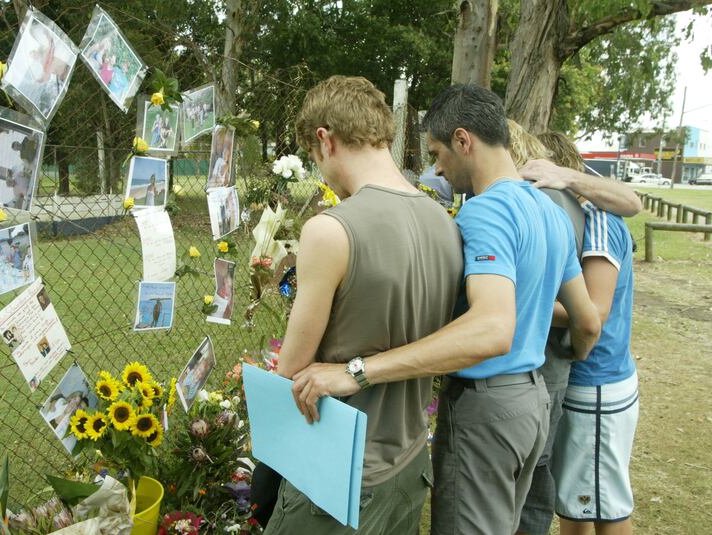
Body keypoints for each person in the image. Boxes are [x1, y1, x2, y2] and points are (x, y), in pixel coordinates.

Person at [288, 83, 603, 534]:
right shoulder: (550, 211)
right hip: (535, 397)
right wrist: (569, 356)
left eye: (437, 153)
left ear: (463, 140)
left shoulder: (483, 214)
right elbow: (587, 320)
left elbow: (493, 329)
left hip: (486, 403)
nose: (436, 167)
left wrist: (358, 371)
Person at [262, 75, 464, 535]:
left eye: (315, 159)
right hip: (409, 464)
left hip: (339, 472)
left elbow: (292, 368)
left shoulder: (330, 229)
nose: (322, 173)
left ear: (325, 140)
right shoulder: (445, 223)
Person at [515, 127, 641, 535]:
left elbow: (593, 313)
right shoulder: (586, 218)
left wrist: (513, 305)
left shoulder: (599, 222)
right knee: (579, 502)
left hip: (596, 381)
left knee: (603, 506)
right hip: (591, 382)